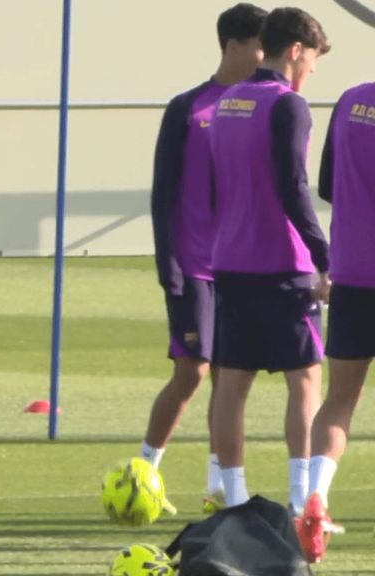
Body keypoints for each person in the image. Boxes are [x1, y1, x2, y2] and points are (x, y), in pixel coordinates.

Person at [208, 6, 331, 519]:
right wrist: (325, 254)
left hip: (230, 259)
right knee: (304, 379)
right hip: (282, 263)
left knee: (231, 383)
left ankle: (232, 498)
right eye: (314, 60)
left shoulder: (228, 100)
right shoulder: (288, 105)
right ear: (296, 50)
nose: (313, 72)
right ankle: (303, 500)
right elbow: (292, 186)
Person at [144, 3, 267, 513]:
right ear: (235, 45)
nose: (267, 57)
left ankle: (218, 488)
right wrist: (166, 263)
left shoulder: (261, 106)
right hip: (193, 265)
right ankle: (142, 472)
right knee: (192, 372)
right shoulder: (187, 107)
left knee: (229, 377)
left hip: (238, 265)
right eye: (261, 45)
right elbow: (162, 191)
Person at [297, 80, 375, 563]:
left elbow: (326, 184)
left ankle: (316, 498)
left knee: (340, 399)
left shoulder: (351, 100)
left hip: (352, 270)